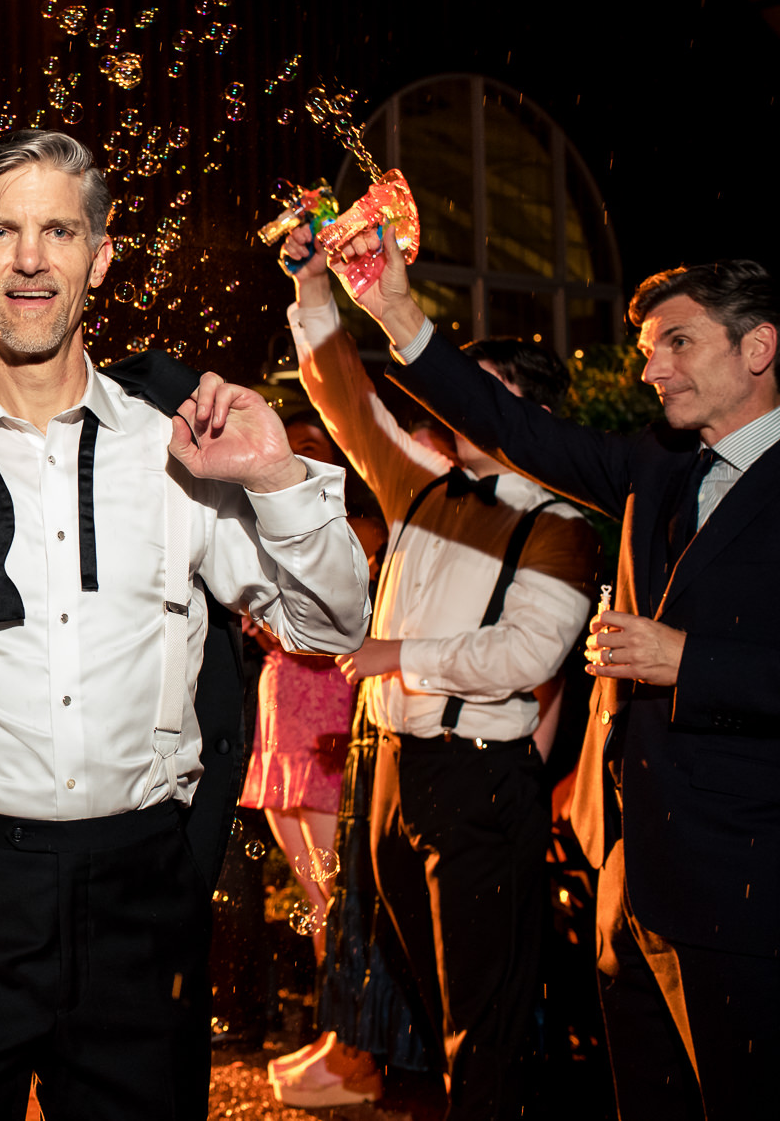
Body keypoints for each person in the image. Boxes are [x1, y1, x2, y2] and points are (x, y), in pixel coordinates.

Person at [0, 130, 370, 1119]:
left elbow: (332, 624)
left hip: (140, 895)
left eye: (58, 230)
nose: (31, 257)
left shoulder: (180, 452)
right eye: (2, 231)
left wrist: (278, 475)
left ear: (101, 255)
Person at [344, 234, 780, 1121]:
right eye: (648, 347)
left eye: (677, 342)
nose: (651, 368)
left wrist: (688, 661)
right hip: (636, 872)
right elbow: (514, 429)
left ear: (758, 347)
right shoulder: (657, 464)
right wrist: (395, 311)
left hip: (751, 887)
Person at [269, 230, 600, 1113]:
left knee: (482, 1014)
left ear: (531, 411)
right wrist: (312, 288)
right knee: (428, 991)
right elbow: (346, 400)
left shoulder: (562, 523)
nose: (457, 403)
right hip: (389, 773)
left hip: (482, 784)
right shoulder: (420, 482)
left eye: (484, 391)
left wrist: (397, 656)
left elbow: (529, 653)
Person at [236, 414, 366, 965]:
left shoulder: (361, 528)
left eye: (314, 445)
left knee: (335, 879)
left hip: (330, 701)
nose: (300, 454)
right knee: (310, 889)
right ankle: (331, 1023)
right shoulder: (261, 523)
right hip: (283, 697)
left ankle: (351, 1030)